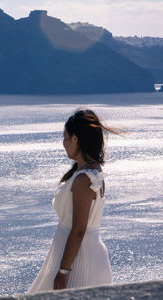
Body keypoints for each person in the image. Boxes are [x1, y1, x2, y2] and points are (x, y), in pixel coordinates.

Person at [27, 109, 115, 293]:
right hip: (83, 254)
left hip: (79, 259)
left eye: (65, 137)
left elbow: (78, 230)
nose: (63, 143)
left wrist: (63, 270)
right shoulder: (92, 171)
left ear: (76, 139)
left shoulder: (84, 179)